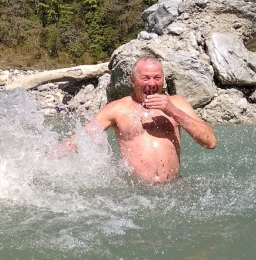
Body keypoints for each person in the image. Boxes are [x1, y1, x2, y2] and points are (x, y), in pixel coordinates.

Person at [63, 56, 216, 183]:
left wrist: (173, 111)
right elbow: (82, 138)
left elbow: (210, 141)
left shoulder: (177, 103)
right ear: (133, 81)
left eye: (157, 78)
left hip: (172, 191)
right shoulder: (117, 109)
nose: (152, 83)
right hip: (136, 194)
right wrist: (50, 158)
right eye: (145, 78)